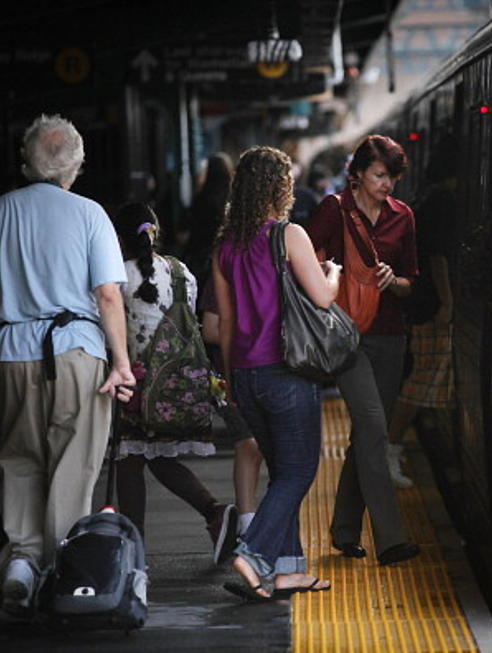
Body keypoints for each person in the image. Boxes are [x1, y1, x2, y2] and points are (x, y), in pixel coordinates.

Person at [0, 114, 135, 616]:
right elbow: (107, 295)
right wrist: (121, 363)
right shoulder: (90, 215)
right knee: (72, 464)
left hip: (10, 355)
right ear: (77, 165)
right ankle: (65, 567)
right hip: (77, 352)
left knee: (20, 460)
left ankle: (21, 561)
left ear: (25, 163)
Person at [213, 145, 338, 599]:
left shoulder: (225, 247)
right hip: (285, 371)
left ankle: (288, 572)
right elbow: (323, 298)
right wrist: (334, 274)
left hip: (245, 374)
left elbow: (225, 323)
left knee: (282, 469)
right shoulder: (289, 236)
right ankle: (255, 554)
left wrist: (229, 381)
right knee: (300, 470)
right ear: (280, 188)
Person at [306, 134, 421, 566]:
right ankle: (390, 540)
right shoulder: (333, 211)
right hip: (346, 335)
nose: (387, 184)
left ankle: (344, 529)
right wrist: (332, 276)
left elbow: (415, 281)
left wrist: (396, 282)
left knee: (367, 435)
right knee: (374, 428)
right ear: (356, 174)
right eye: (379, 175)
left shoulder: (402, 217)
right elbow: (305, 264)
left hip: (391, 334)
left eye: (392, 177)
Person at [110, 202, 236, 561]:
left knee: (128, 459)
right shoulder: (182, 273)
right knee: (156, 455)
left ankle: (134, 549)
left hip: (132, 383)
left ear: (119, 238)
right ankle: (214, 511)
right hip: (173, 383)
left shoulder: (115, 276)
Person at [387, 143, 458, 488]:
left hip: (419, 302)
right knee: (423, 381)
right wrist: (447, 301)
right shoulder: (443, 204)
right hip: (430, 305)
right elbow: (438, 258)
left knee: (427, 380)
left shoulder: (426, 200)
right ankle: (391, 446)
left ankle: (393, 445)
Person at [199, 275, 265, 560]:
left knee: (260, 446)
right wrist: (258, 331)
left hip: (264, 370)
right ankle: (248, 527)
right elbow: (210, 330)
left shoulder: (274, 264)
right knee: (248, 443)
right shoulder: (223, 272)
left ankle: (256, 525)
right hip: (227, 374)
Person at [183, 152, 234, 287]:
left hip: (201, 255)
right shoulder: (233, 199)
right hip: (226, 255)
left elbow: (188, 228)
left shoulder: (201, 198)